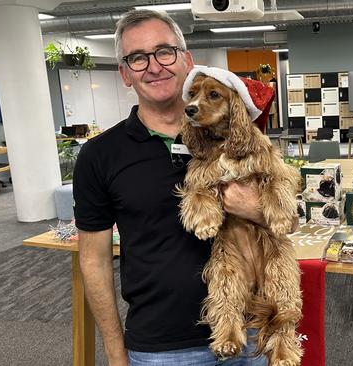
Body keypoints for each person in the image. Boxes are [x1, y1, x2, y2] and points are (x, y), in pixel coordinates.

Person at [74, 9, 274, 366]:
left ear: (187, 60)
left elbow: (289, 222)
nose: (154, 66)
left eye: (164, 51)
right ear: (124, 73)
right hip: (161, 348)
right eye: (137, 58)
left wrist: (252, 207)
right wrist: (115, 351)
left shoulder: (237, 138)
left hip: (249, 331)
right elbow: (94, 260)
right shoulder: (98, 156)